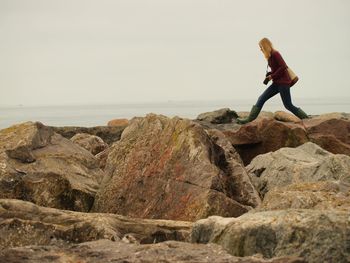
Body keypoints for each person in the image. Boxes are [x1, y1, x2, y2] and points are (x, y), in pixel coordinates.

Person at [236, 37, 309, 124]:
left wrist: (272, 76)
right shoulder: (270, 56)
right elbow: (277, 68)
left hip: (283, 83)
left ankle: (306, 118)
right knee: (261, 98)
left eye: (261, 47)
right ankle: (249, 120)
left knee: (288, 105)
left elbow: (283, 66)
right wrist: (270, 74)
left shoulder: (275, 54)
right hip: (277, 83)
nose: (260, 49)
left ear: (265, 46)